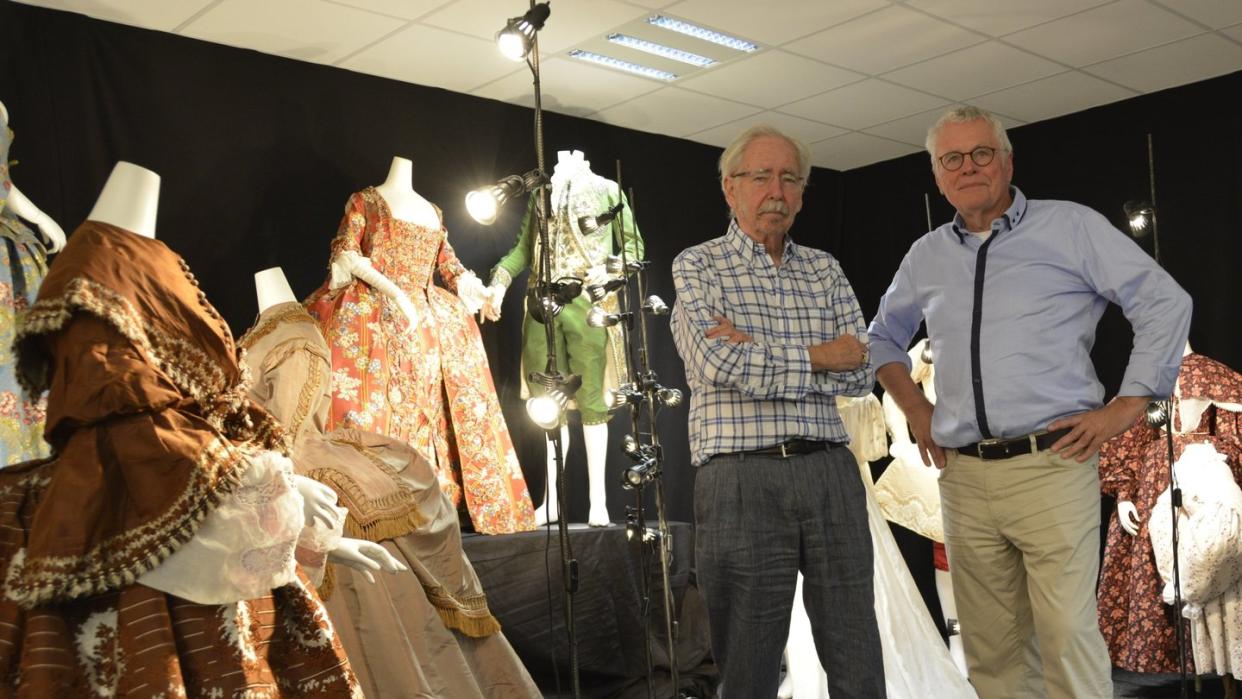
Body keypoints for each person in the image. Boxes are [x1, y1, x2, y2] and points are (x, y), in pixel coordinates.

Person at [868, 105, 1192, 698]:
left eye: (981, 153)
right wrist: (917, 411)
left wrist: (1126, 405)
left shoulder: (1070, 227)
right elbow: (882, 337)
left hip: (1053, 464)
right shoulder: (926, 255)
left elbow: (1164, 302)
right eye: (952, 160)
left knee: (1067, 637)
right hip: (963, 477)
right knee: (993, 651)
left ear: (1007, 161)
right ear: (938, 176)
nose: (968, 168)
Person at [670, 124, 884, 698]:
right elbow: (721, 365)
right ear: (729, 188)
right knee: (748, 664)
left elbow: (862, 371)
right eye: (761, 176)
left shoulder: (825, 269)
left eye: (790, 179)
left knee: (856, 647)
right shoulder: (698, 266)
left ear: (803, 194)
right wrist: (820, 357)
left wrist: (762, 351)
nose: (777, 190)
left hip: (830, 471)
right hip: (741, 478)